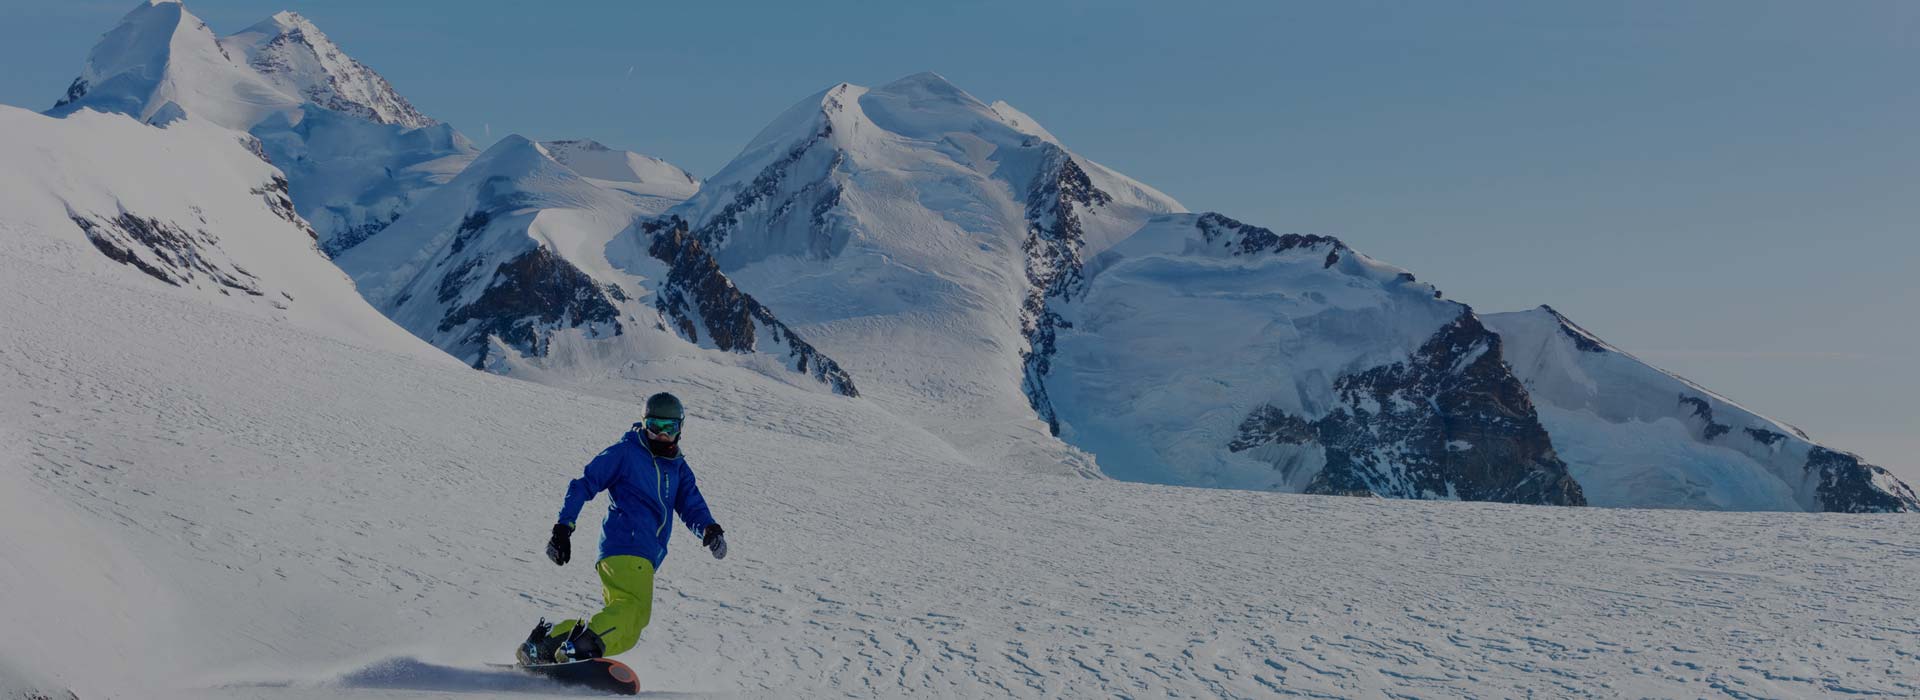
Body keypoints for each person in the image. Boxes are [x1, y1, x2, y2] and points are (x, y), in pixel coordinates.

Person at [518, 392, 729, 665]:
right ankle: (578, 649)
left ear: (680, 428)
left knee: (627, 623)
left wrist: (709, 529)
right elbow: (583, 484)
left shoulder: (678, 467)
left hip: (639, 555)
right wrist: (563, 528)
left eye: (670, 428)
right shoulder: (626, 453)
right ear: (644, 424)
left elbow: (692, 505)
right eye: (655, 427)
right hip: (628, 546)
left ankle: (545, 646)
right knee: (632, 610)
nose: (662, 436)